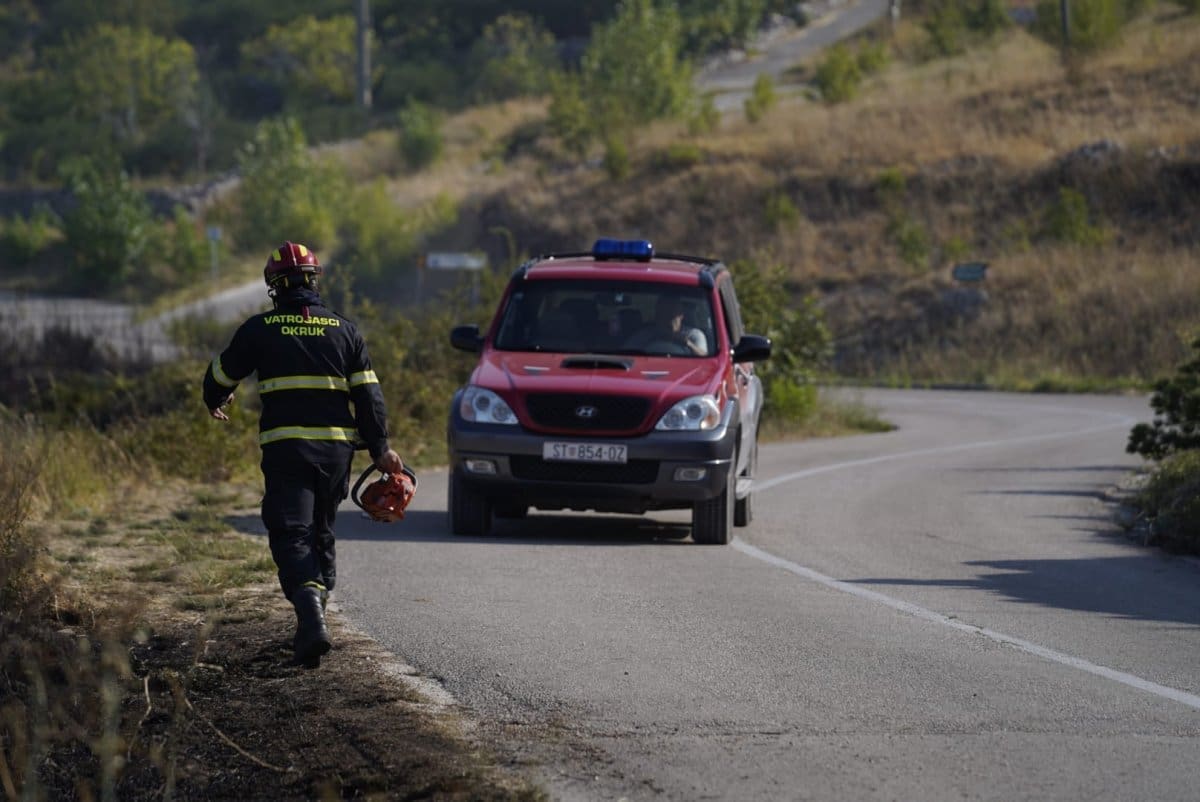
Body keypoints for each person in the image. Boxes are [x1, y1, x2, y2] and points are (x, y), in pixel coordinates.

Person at [202, 241, 403, 666]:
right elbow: (370, 398)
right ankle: (314, 622)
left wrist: (216, 397)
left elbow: (222, 372)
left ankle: (310, 612)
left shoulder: (260, 329)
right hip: (335, 453)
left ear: (275, 287)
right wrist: (381, 449)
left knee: (291, 531)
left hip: (286, 449)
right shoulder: (346, 331)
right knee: (322, 531)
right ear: (314, 281)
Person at [627, 296, 708, 356]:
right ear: (657, 315)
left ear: (681, 315)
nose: (668, 317)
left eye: (672, 312)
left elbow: (705, 358)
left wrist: (688, 344)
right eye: (663, 312)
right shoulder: (646, 334)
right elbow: (627, 353)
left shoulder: (694, 335)